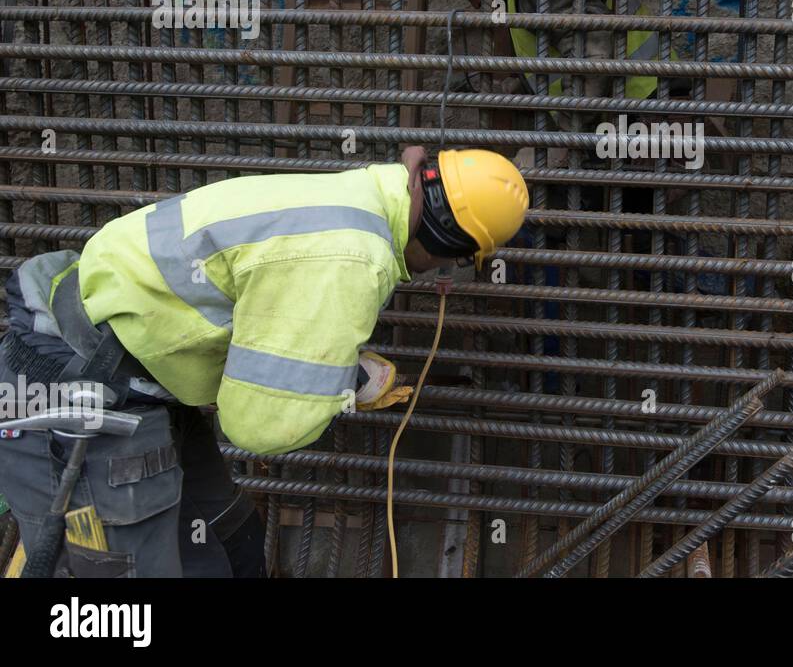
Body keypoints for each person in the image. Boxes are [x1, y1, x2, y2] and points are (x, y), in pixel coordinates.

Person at [0, 145, 528, 577]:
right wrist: (339, 382)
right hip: (77, 388)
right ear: (441, 237)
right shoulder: (351, 257)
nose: (445, 271)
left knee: (230, 542)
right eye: (458, 260)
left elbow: (270, 295)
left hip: (142, 373)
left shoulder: (357, 196)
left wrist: (327, 357)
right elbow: (257, 427)